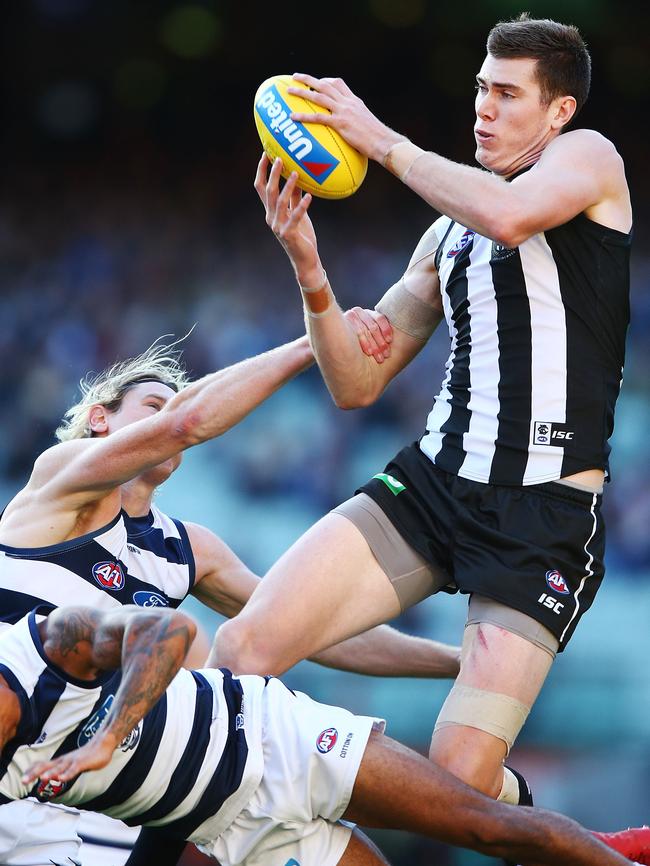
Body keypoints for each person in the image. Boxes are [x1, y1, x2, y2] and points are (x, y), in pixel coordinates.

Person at [215, 12, 638, 853]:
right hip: (431, 489)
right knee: (240, 649)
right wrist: (308, 265)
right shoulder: (445, 234)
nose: (484, 106)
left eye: (508, 93)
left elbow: (512, 218)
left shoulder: (588, 159)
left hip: (539, 522)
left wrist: (379, 139)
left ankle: (557, 830)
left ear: (556, 113)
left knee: (454, 787)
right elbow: (354, 383)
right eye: (481, 87)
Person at [0, 335, 460, 866]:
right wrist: (319, 343)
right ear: (100, 419)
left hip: (109, 792)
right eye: (152, 405)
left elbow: (308, 630)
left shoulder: (186, 548)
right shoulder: (58, 481)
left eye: (173, 404)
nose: (167, 417)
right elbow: (186, 422)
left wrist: (452, 662)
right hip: (17, 766)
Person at [0, 603, 643, 866]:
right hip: (238, 829)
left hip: (274, 736)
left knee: (483, 825)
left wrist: (108, 737)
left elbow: (168, 631)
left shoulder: (46, 645)